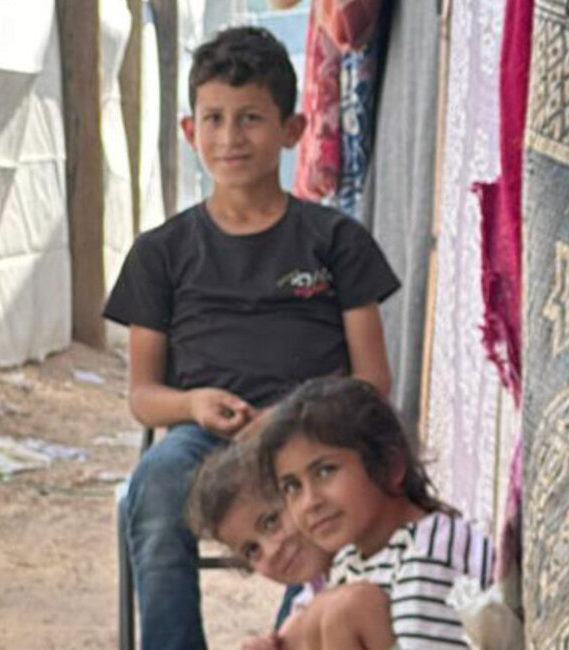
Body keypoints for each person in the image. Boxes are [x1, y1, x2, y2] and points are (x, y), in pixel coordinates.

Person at [105, 25, 400, 649]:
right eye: (213, 119)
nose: (230, 138)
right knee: (154, 486)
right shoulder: (161, 254)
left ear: (292, 130)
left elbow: (373, 381)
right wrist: (192, 405)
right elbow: (143, 395)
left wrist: (292, 421)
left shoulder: (336, 242)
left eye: (251, 119)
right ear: (190, 131)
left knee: (332, 499)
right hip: (201, 439)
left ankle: (294, 642)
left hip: (312, 439)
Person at [256, 377, 494, 649]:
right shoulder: (351, 558)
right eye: (292, 486)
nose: (310, 502)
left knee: (348, 608)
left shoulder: (431, 549)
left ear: (391, 466)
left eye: (326, 471)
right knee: (308, 619)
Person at [187, 439, 396, 650]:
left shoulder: (376, 553)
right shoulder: (311, 594)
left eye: (271, 521)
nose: (272, 550)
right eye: (252, 550)